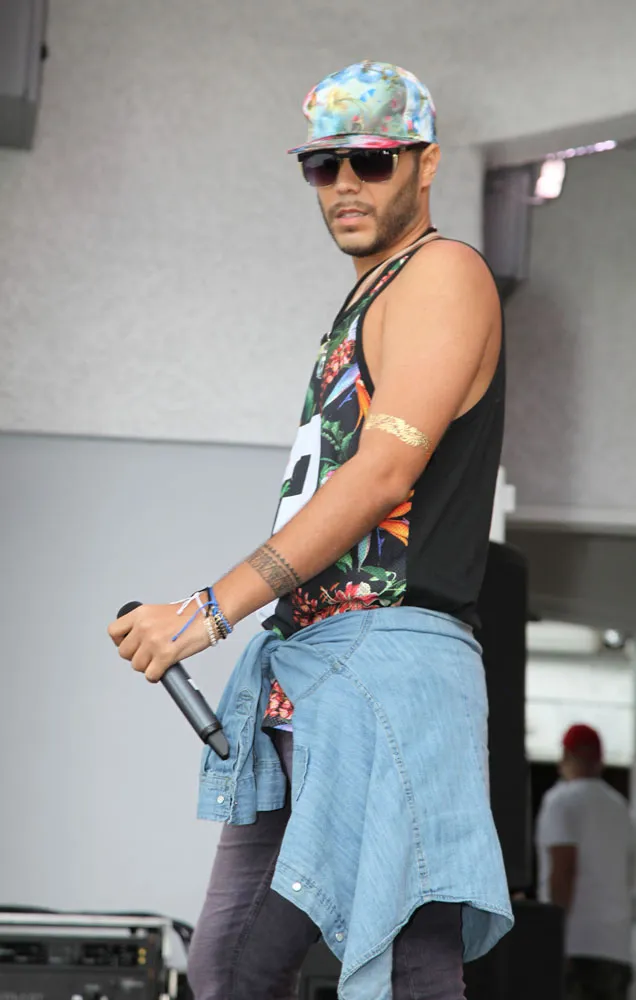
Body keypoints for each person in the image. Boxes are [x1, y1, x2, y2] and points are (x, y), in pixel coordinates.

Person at [108, 60, 513, 1000]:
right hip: (314, 669)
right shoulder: (369, 298)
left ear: (426, 163)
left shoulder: (443, 274)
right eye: (322, 166)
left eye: (371, 161)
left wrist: (208, 611)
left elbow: (383, 472)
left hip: (389, 666)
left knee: (399, 966)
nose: (344, 185)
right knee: (231, 968)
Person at [536, 724, 634, 1000]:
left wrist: (553, 935)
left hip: (575, 946)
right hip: (617, 950)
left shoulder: (561, 801)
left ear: (567, 756)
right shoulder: (621, 809)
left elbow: (563, 869)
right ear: (600, 760)